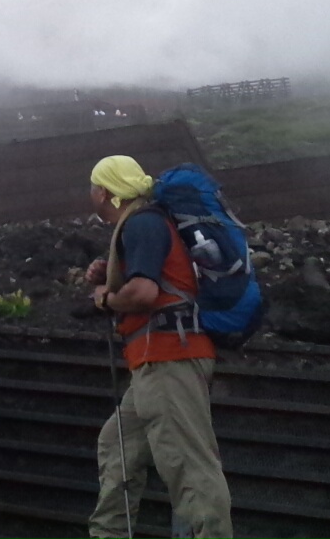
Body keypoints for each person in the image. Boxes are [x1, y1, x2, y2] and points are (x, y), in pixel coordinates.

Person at [83, 156, 233, 539]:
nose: (91, 195)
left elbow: (144, 292)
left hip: (170, 357)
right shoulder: (143, 224)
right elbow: (153, 278)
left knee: (188, 465)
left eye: (93, 187)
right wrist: (111, 272)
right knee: (118, 446)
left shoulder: (143, 222)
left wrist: (105, 297)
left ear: (104, 191)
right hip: (155, 360)